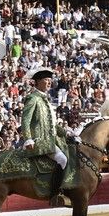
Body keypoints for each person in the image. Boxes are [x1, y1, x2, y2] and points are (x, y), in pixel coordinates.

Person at [21, 67, 70, 208]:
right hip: (40, 141)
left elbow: (53, 126)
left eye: (50, 80)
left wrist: (68, 133)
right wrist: (28, 139)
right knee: (62, 159)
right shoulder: (33, 98)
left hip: (51, 140)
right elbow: (25, 120)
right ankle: (56, 194)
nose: (49, 83)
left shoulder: (45, 100)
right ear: (37, 82)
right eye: (46, 80)